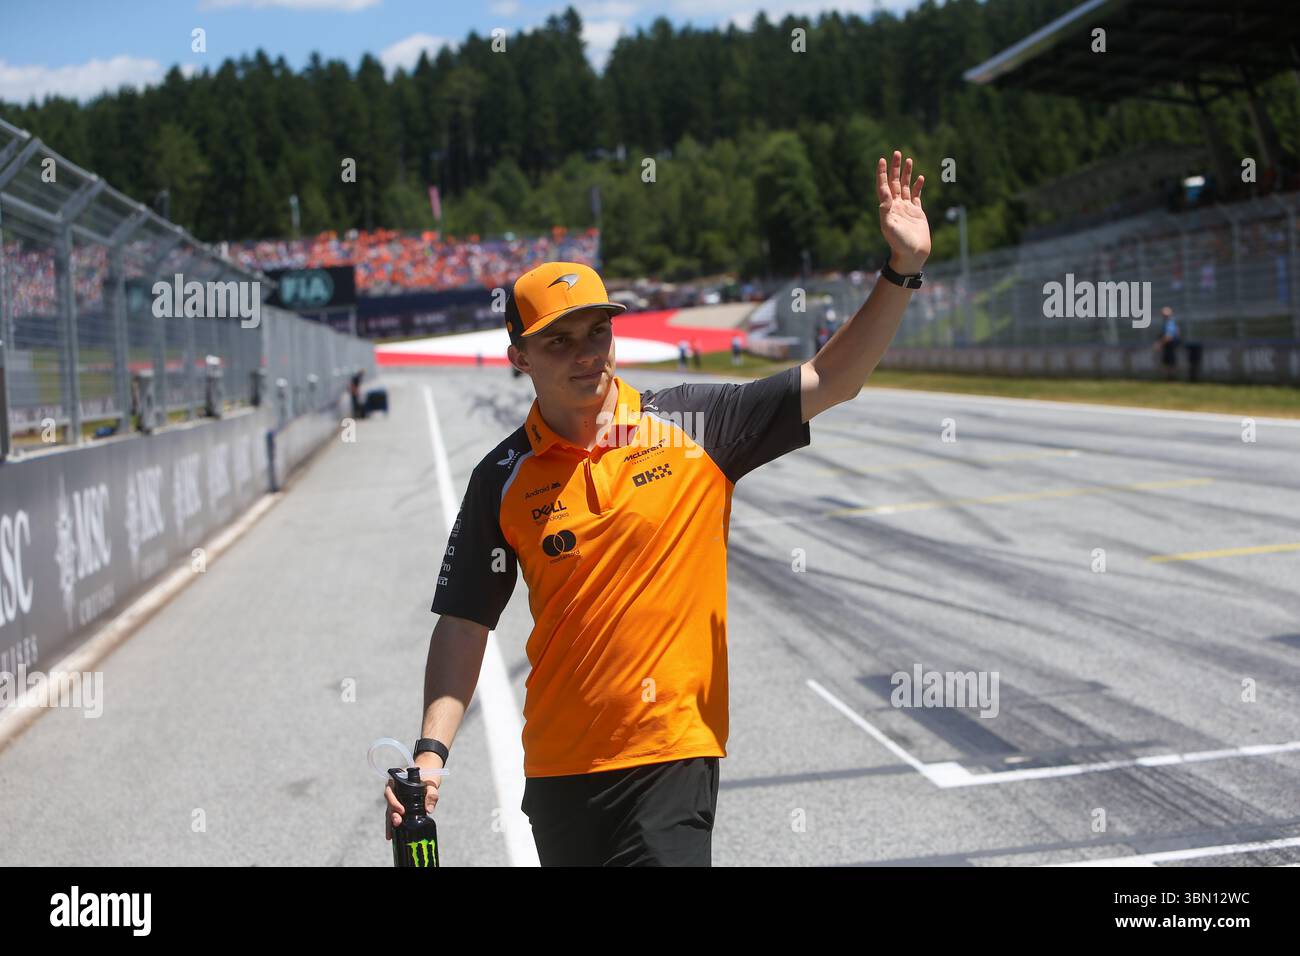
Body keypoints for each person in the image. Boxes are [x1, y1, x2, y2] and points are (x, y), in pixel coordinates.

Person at [386, 149, 932, 866]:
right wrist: (430, 756)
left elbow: (833, 378)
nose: (588, 355)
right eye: (560, 341)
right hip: (557, 774)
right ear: (518, 354)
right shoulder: (502, 477)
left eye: (598, 333)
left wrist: (900, 272)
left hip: (670, 757)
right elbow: (464, 622)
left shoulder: (698, 425)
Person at [1152, 305, 1181, 380]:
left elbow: (1169, 336)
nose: (1164, 316)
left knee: (1169, 363)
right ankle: (1170, 378)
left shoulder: (1170, 323)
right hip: (1169, 345)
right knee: (1168, 362)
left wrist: (1159, 344)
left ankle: (1171, 378)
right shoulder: (1169, 322)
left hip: (1170, 345)